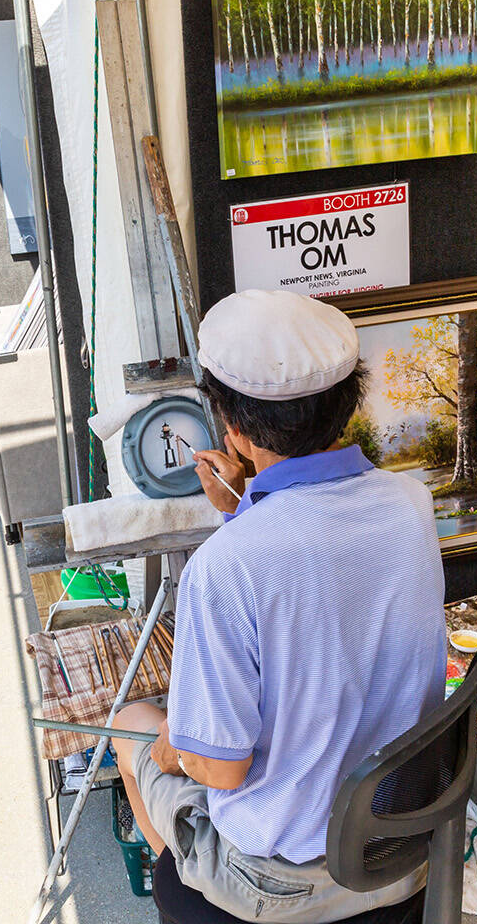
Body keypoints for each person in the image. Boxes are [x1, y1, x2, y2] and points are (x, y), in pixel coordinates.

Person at [112, 290, 447, 922]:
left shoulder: (225, 566)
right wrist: (246, 509)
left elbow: (221, 768)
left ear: (232, 429)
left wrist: (172, 748)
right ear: (347, 402)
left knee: (134, 723)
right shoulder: (412, 505)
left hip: (284, 885)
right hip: (400, 849)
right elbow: (326, 571)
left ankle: (187, 888)